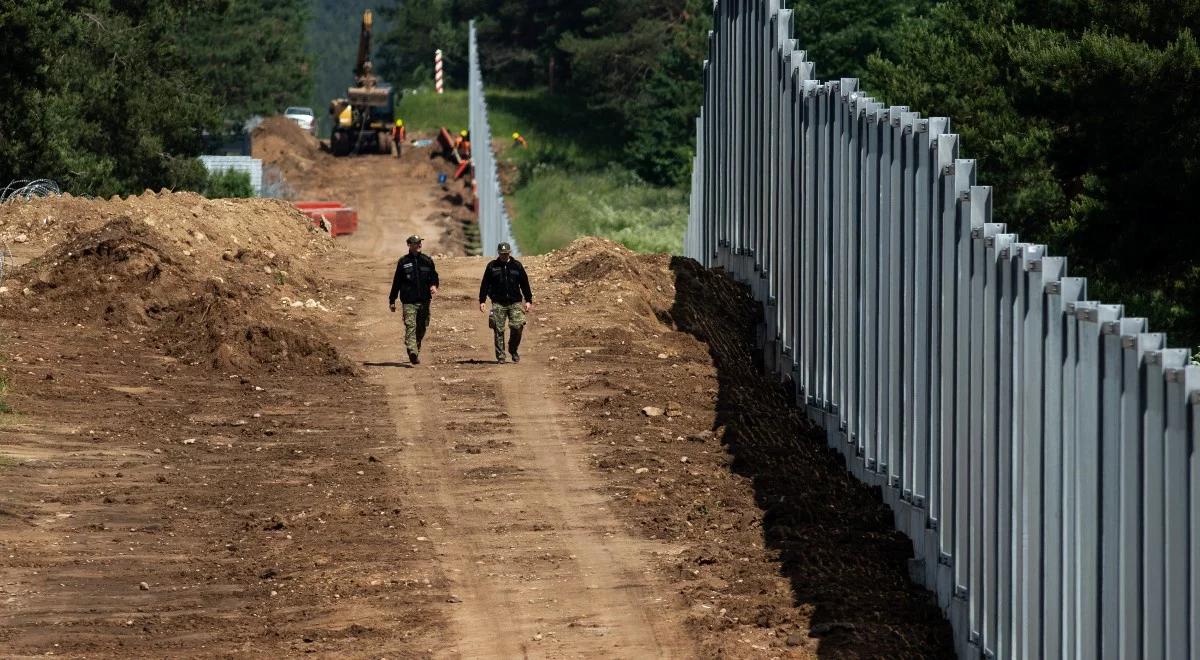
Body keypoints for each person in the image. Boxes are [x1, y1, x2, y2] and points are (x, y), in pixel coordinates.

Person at [478, 242, 533, 363]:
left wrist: (528, 300)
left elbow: (525, 284)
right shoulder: (492, 266)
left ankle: (513, 349)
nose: (504, 256)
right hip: (498, 302)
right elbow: (485, 284)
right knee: (498, 329)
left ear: (510, 253)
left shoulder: (517, 266)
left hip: (515, 302)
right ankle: (501, 356)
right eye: (502, 254)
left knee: (517, 327)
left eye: (506, 253)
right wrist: (482, 300)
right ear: (498, 253)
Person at [389, 235, 439, 365]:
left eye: (419, 243)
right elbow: (397, 282)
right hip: (409, 301)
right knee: (410, 326)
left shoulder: (427, 260)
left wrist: (434, 285)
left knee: (421, 327)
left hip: (424, 301)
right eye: (415, 243)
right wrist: (392, 299)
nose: (418, 245)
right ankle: (412, 351)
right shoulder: (403, 262)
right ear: (409, 245)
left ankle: (415, 348)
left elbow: (434, 276)